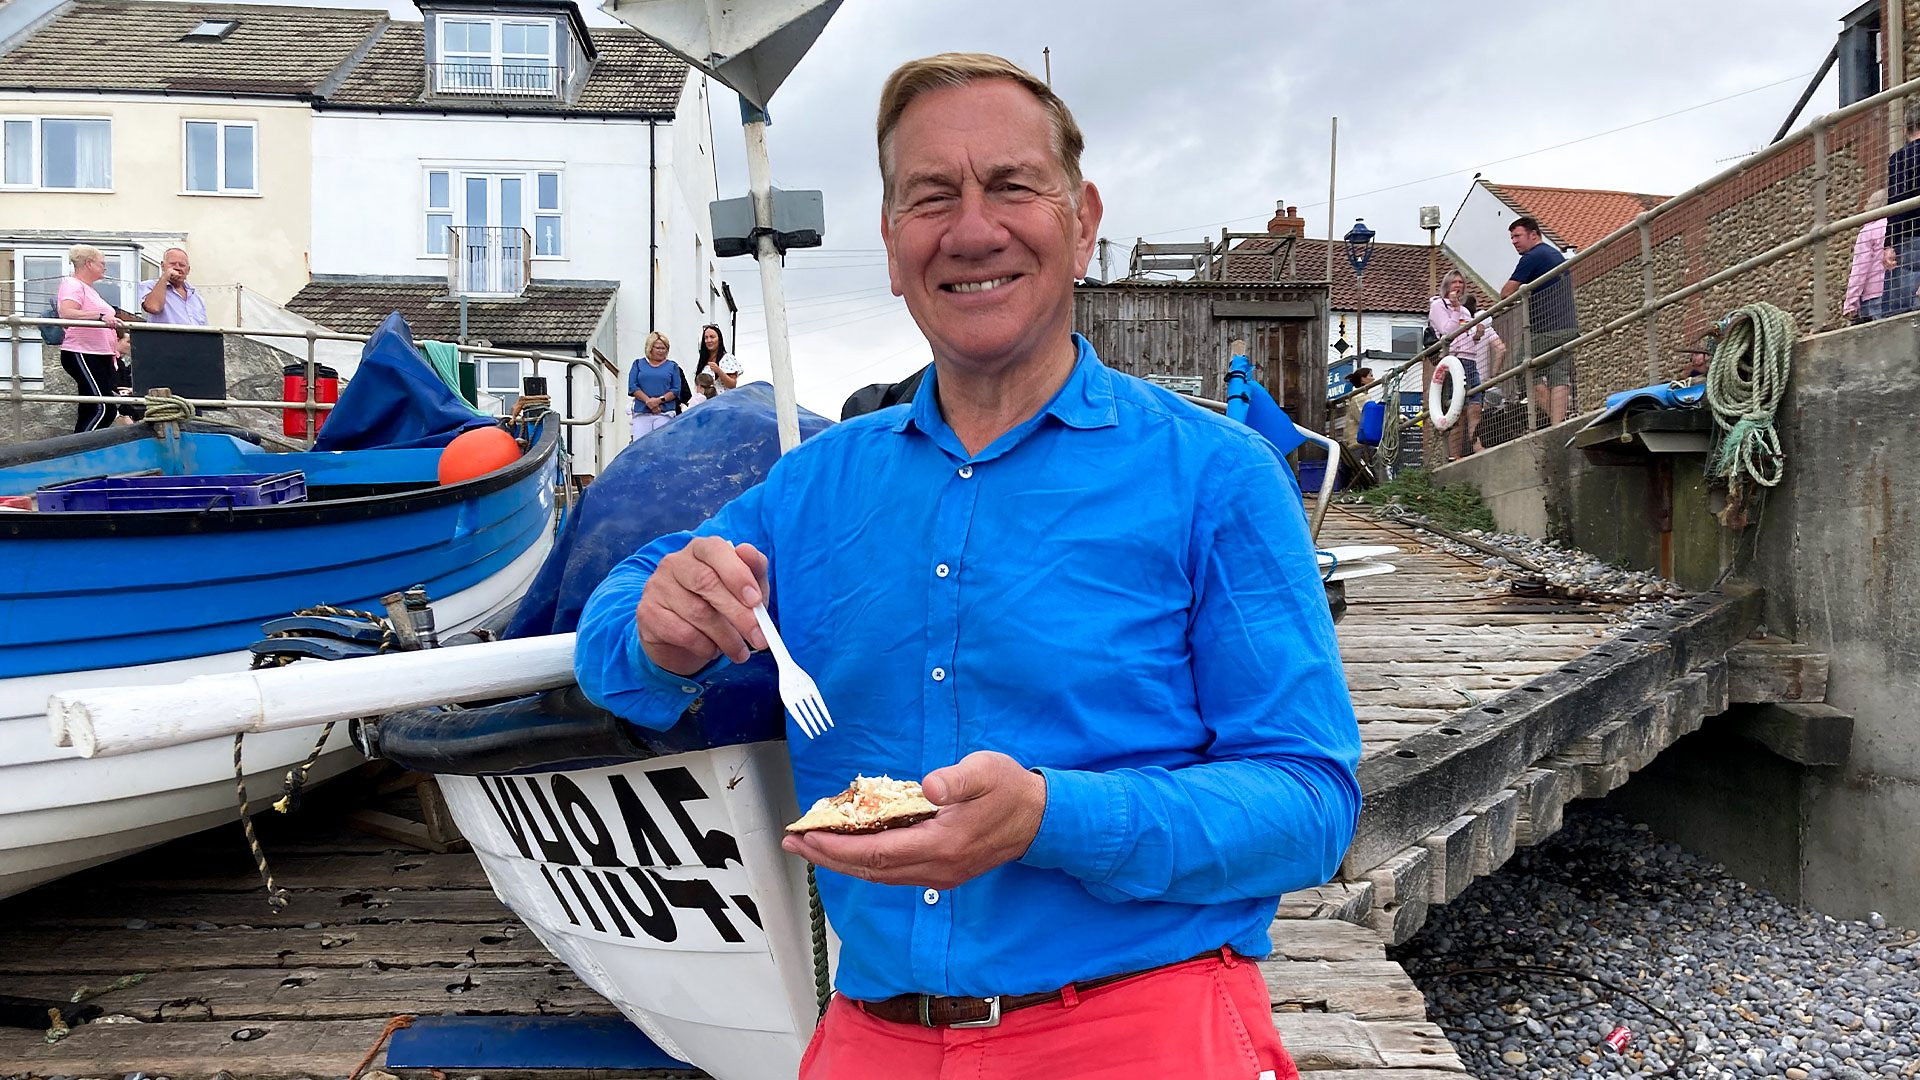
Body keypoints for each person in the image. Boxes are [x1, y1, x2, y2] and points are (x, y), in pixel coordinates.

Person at [574, 52, 1359, 1080]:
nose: (974, 229)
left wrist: (1050, 818)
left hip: (1144, 1024)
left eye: (1012, 186)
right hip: (871, 1034)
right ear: (895, 249)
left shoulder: (1216, 478)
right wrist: (655, 625)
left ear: (1081, 223)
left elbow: (1309, 806)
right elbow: (610, 642)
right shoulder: (814, 488)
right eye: (931, 197)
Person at [1500, 216, 1577, 427]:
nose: (1514, 241)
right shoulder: (1554, 254)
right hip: (1568, 326)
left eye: (1517, 236)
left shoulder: (1532, 256)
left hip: (1545, 328)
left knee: (1522, 368)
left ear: (1533, 235)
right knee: (1557, 373)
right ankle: (1559, 425)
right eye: (1512, 238)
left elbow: (1506, 293)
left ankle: (1554, 418)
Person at [55, 245, 127, 433]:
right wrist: (100, 316)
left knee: (92, 408)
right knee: (103, 408)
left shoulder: (89, 289)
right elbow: (66, 312)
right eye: (102, 263)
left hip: (100, 354)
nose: (105, 268)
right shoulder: (73, 284)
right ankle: (82, 450)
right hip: (83, 352)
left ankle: (79, 449)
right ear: (88, 264)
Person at [1427, 271, 1487, 459]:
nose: (1458, 286)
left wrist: (1477, 334)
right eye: (1454, 282)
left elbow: (1467, 336)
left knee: (1476, 405)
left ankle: (1476, 445)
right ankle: (1454, 454)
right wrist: (1453, 308)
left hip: (1470, 359)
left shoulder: (1465, 310)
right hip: (1453, 360)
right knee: (1457, 410)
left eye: (1461, 282)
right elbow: (1447, 331)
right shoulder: (1438, 306)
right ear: (1446, 285)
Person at [1884, 104, 1920, 316]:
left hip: (1908, 237)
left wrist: (1889, 244)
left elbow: (1896, 202)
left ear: (1906, 129)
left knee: (1902, 314)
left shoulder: (1899, 158)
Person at [1844, 189, 1893, 324]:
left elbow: (1860, 270)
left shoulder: (1868, 231)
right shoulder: (1896, 227)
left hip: (1873, 297)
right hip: (1898, 292)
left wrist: (1851, 302)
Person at [627, 331, 688, 440]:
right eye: (657, 348)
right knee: (641, 446)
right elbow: (633, 386)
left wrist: (658, 401)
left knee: (661, 446)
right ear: (650, 348)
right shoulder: (638, 364)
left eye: (663, 348)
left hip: (664, 413)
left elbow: (676, 389)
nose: (661, 351)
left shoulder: (673, 366)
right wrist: (648, 401)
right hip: (642, 413)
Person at [137, 247, 209, 326]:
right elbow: (153, 307)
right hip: (165, 337)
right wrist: (165, 277)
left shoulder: (196, 297)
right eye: (172, 264)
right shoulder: (149, 286)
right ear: (163, 265)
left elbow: (204, 327)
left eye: (182, 265)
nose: (177, 268)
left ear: (188, 270)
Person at [692, 323, 742, 394]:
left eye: (712, 337)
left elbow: (732, 385)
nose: (709, 340)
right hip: (705, 402)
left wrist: (718, 371)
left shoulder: (727, 358)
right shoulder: (702, 361)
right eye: (706, 337)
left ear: (719, 339)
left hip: (722, 401)